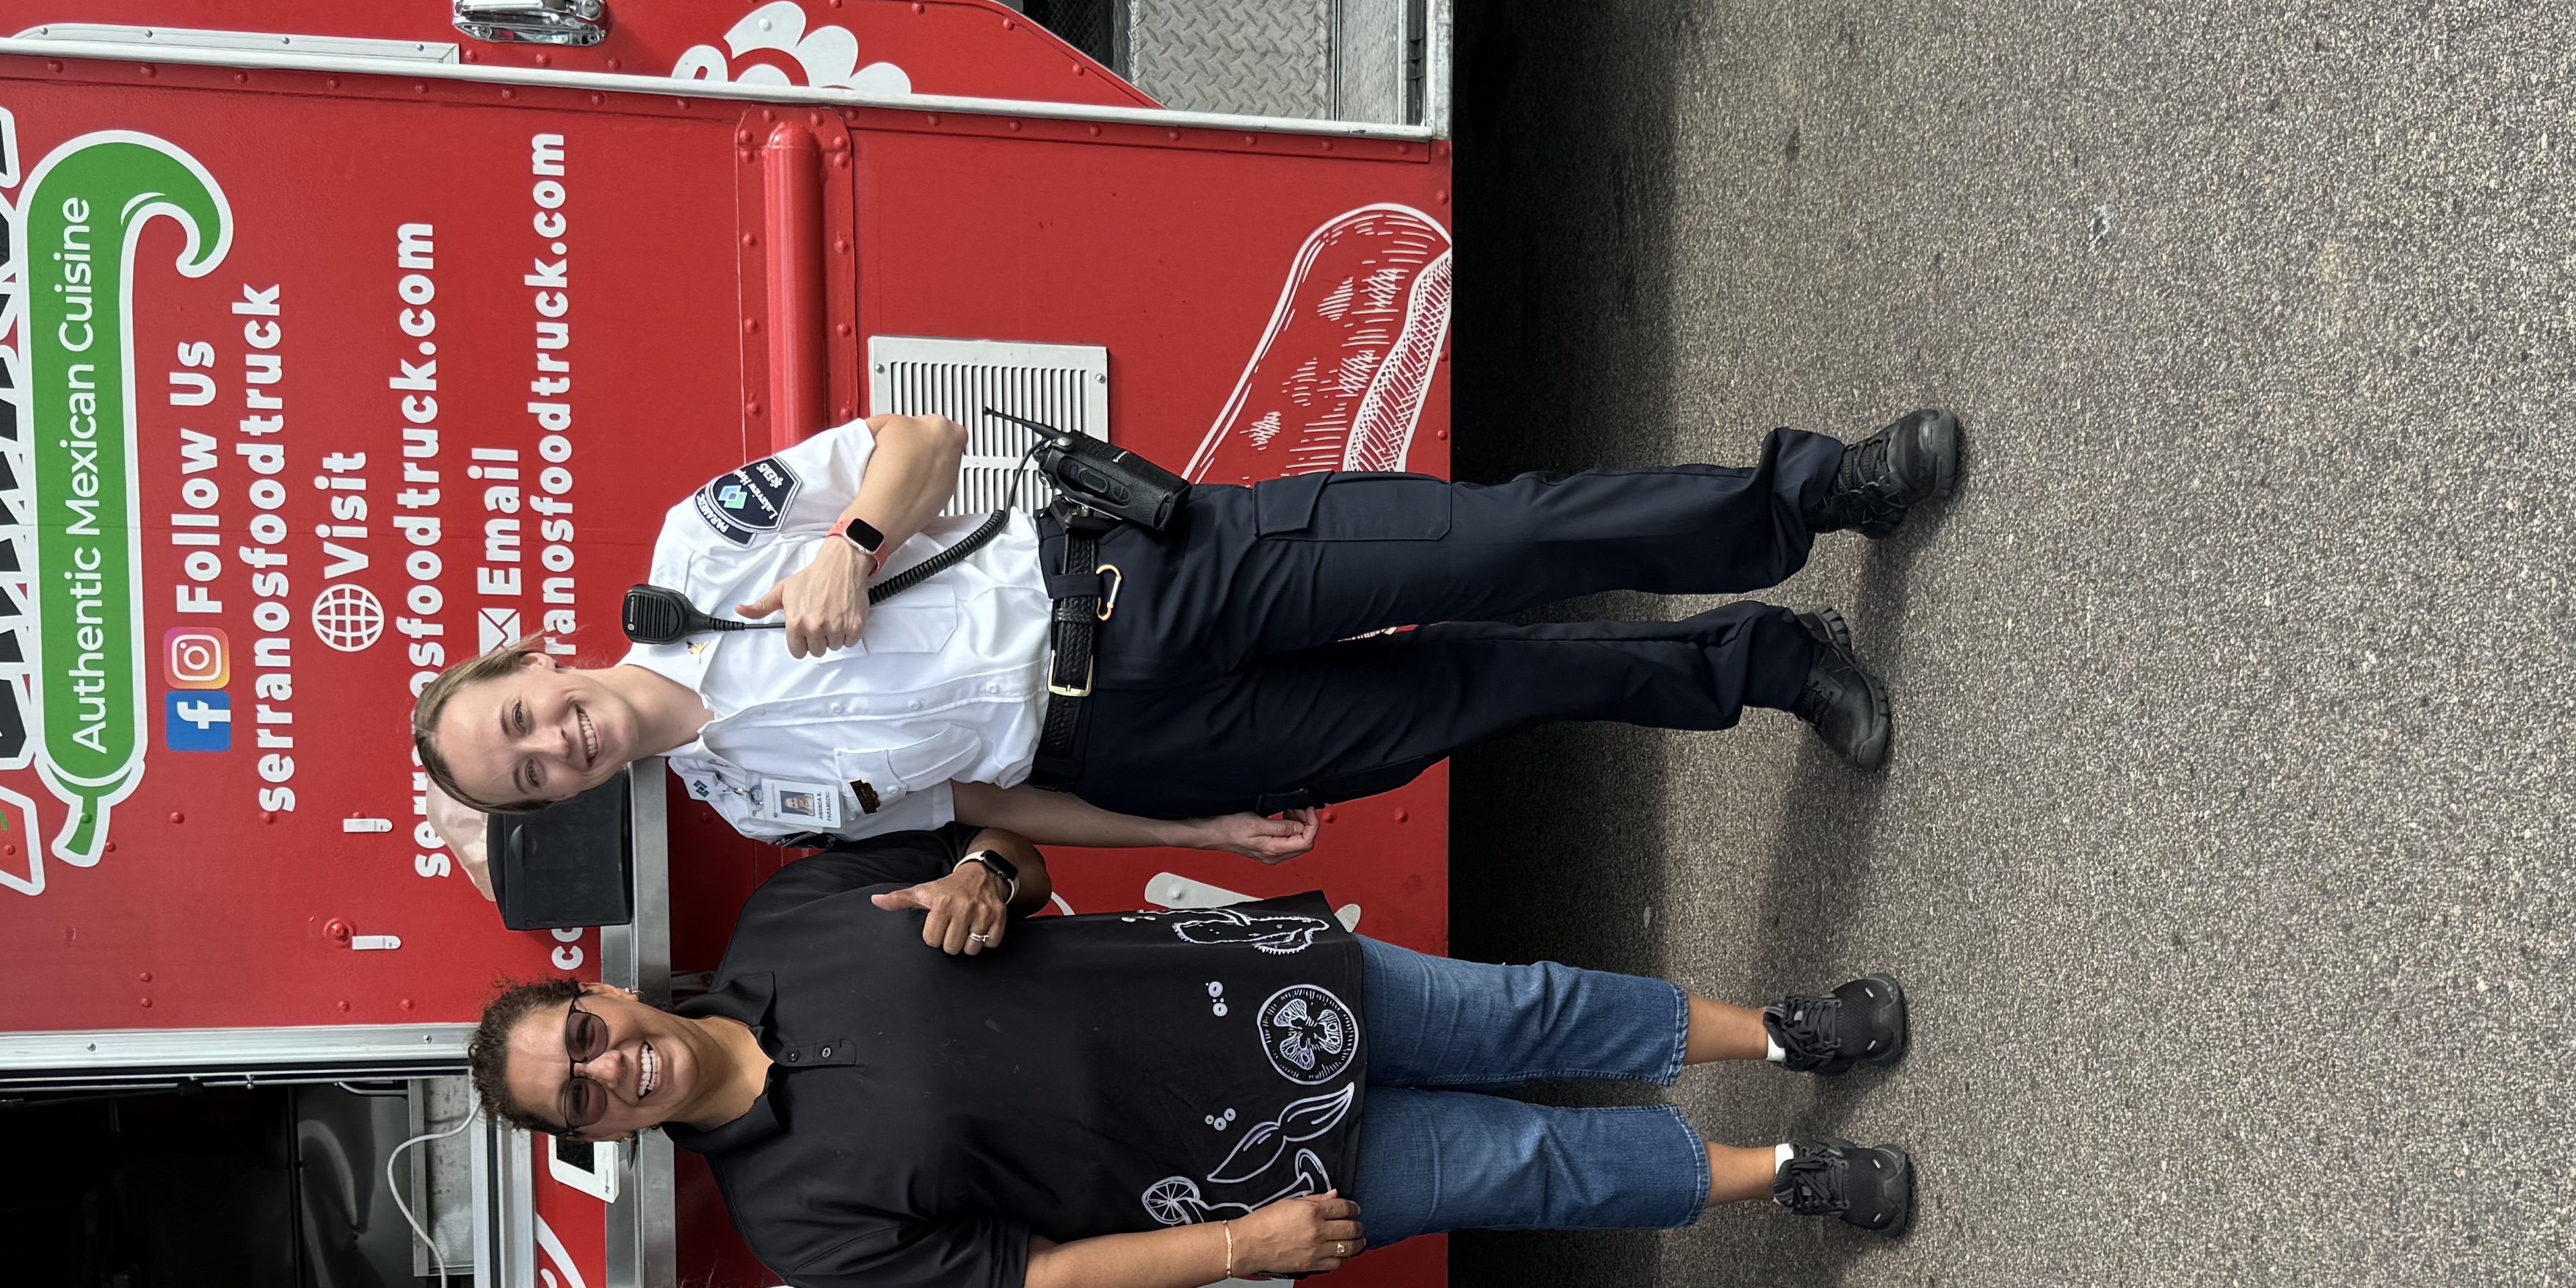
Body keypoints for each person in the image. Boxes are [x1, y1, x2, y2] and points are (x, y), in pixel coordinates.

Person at [462, 821, 1920, 1288]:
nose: (611, 1070)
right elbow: (1027, 1280)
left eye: (583, 1037)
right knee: (1524, 1165)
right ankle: (1787, 1173)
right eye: (577, 1096)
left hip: (1258, 988)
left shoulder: (787, 914)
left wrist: (984, 868)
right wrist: (1240, 1248)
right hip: (1243, 1180)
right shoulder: (791, 1225)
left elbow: (1008, 849)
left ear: (600, 990)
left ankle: (1781, 1035)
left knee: (1524, 1012)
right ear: (604, 1134)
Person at [410, 402, 1967, 850]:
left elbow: (926, 445)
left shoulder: (706, 548)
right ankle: (1766, 666)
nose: (554, 743)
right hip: (1135, 741)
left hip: (1140, 578)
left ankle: (1818, 493)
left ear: (531, 661)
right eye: (531, 773)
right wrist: (1199, 830)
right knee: (1477, 695)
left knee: (1498, 539)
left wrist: (854, 544)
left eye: (523, 719)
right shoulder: (741, 806)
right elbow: (975, 801)